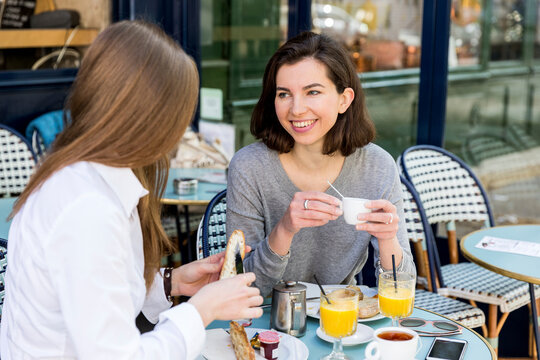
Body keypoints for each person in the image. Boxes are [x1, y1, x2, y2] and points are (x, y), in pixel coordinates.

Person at [0, 21, 262, 359]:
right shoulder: (88, 208)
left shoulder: (83, 178)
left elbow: (94, 295)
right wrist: (201, 310)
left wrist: (173, 283)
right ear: (151, 119)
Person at [226, 31, 415, 297]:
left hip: (340, 320)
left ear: (344, 99)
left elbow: (400, 288)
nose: (297, 109)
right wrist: (285, 230)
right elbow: (241, 287)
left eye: (312, 92)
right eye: (284, 94)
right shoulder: (250, 167)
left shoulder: (376, 166)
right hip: (266, 326)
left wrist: (387, 240)